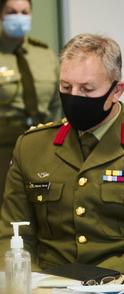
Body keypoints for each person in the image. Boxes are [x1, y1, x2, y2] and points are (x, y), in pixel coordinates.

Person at [0, 33, 124, 274]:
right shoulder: (31, 146)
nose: (74, 97)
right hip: (49, 291)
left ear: (117, 91)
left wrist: (98, 276)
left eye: (87, 89)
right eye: (66, 87)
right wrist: (33, 285)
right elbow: (12, 235)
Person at [0, 0, 60, 210]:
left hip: (42, 142)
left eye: (24, 12)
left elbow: (56, 103)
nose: (19, 17)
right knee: (7, 207)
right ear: (1, 15)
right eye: (12, 12)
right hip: (4, 143)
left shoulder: (46, 55)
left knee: (44, 205)